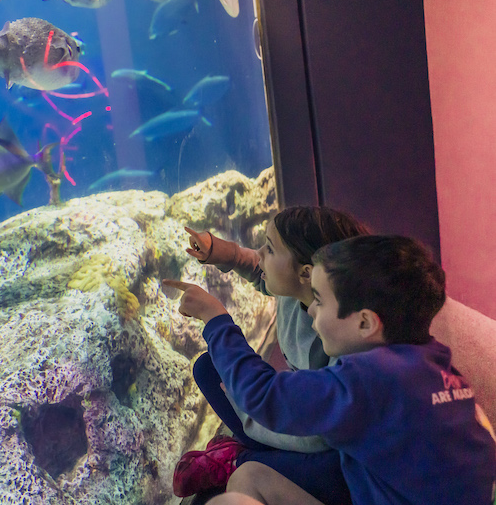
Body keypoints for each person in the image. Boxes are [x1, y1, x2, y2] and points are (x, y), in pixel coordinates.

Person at [165, 234, 496, 505]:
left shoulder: (369, 380)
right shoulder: (433, 359)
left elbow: (263, 395)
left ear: (365, 322)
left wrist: (216, 319)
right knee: (249, 476)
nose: (312, 313)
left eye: (319, 302)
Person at [174, 206, 370, 504]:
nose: (260, 254)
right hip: (299, 415)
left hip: (329, 447)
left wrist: (215, 318)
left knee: (315, 466)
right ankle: (252, 453)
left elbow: (317, 434)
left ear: (306, 273)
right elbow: (263, 270)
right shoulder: (299, 291)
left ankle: (236, 460)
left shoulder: (341, 335)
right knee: (208, 368)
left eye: (270, 248)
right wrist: (228, 254)